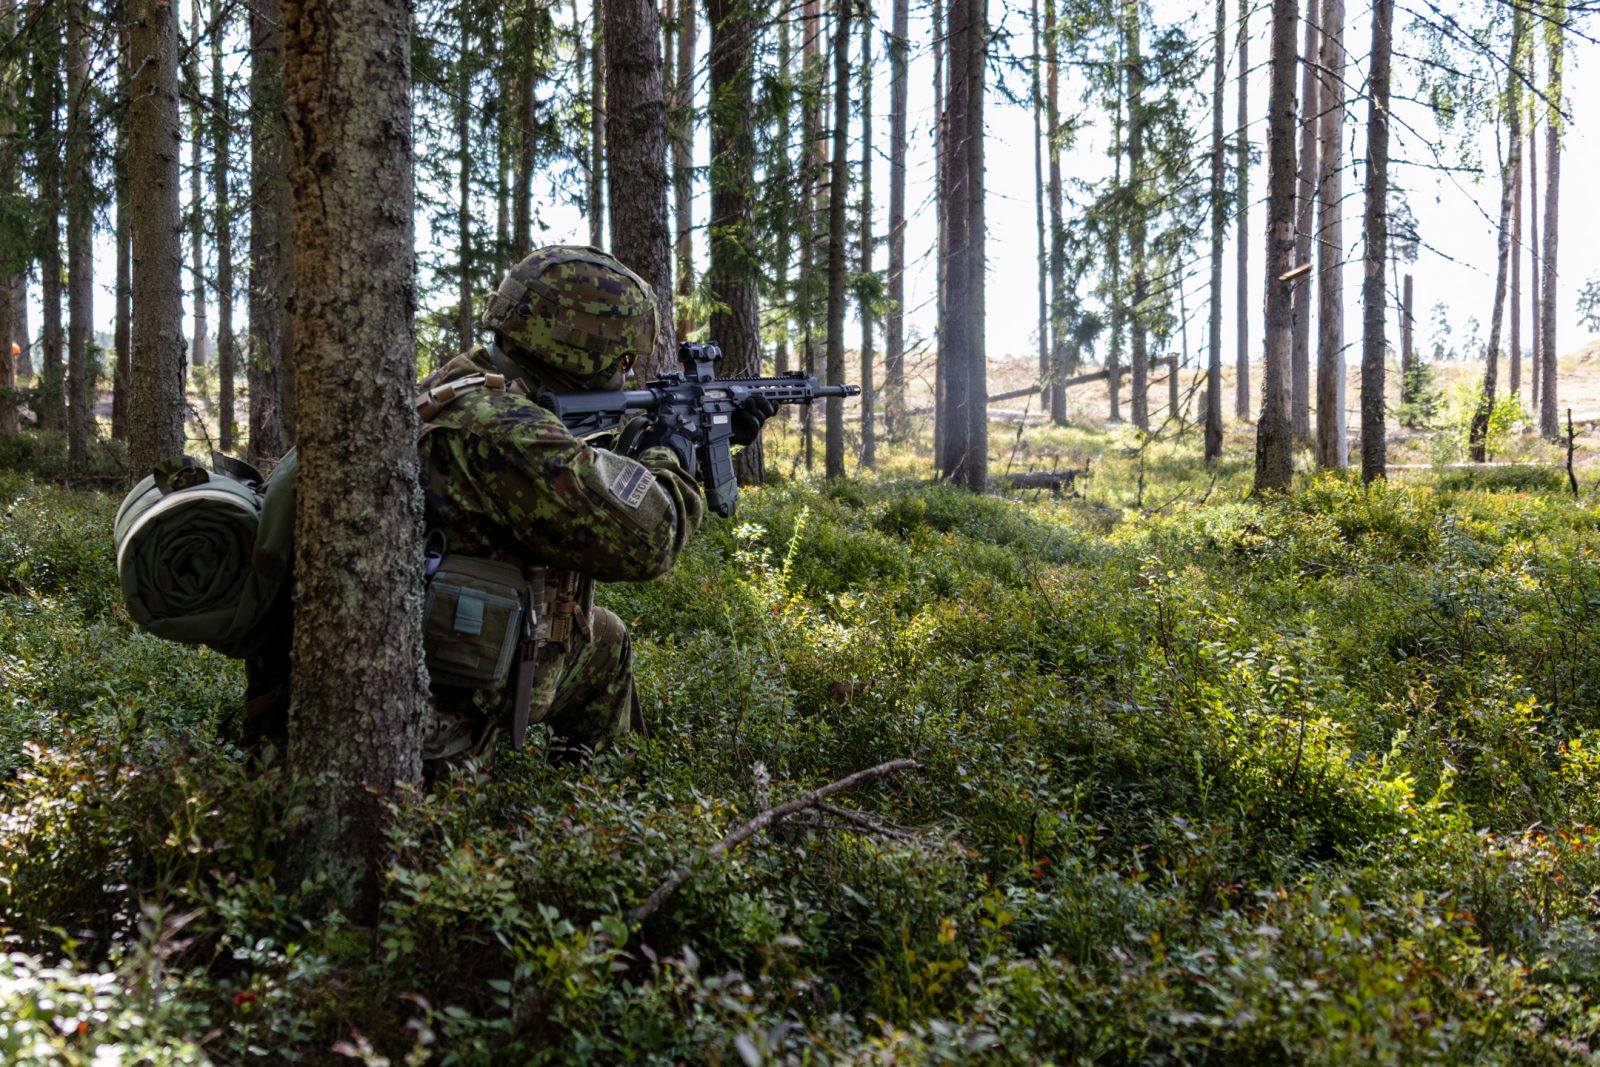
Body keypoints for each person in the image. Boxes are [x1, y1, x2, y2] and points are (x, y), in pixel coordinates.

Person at [239, 244, 768, 770]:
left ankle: (596, 808)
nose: (629, 372)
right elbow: (651, 539)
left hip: (416, 657)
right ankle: (574, 833)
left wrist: (696, 441)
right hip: (427, 713)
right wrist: (674, 450)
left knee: (604, 641)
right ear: (590, 349)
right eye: (626, 358)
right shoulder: (507, 431)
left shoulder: (467, 381)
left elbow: (571, 475)